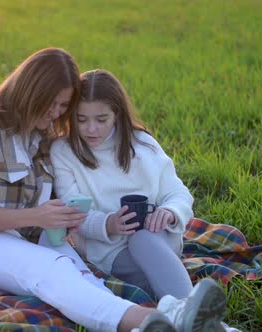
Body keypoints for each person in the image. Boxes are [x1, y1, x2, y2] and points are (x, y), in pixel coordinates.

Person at [0, 48, 225, 332]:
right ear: (28, 92)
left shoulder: (44, 136)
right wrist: (38, 216)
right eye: (51, 104)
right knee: (54, 268)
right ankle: (154, 320)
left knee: (85, 278)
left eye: (63, 106)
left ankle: (208, 326)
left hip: (34, 237)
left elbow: (63, 201)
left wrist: (63, 220)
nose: (57, 113)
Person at [48, 69, 227, 331]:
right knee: (153, 275)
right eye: (81, 119)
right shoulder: (64, 152)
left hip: (159, 241)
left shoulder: (142, 144)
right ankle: (195, 317)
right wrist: (108, 224)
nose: (91, 129)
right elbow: (72, 212)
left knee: (143, 237)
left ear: (117, 114)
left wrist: (169, 212)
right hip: (111, 252)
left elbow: (178, 192)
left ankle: (185, 313)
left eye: (101, 119)